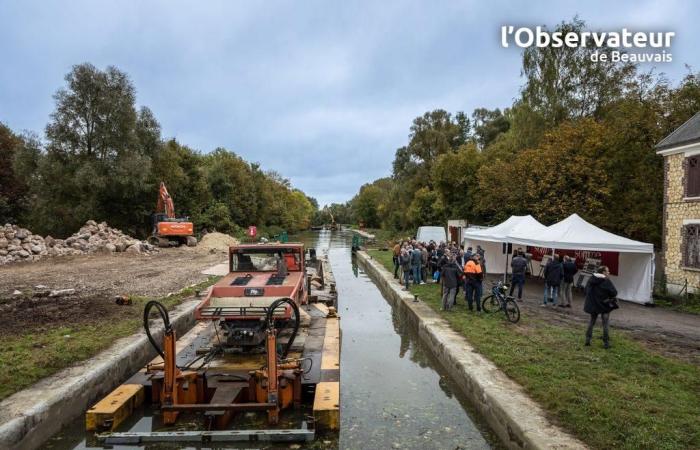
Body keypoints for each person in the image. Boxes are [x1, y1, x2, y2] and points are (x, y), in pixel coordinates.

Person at [584, 266, 618, 349]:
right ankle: (606, 343)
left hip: (594, 304)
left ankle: (587, 340)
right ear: (603, 272)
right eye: (608, 271)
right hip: (604, 305)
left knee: (592, 322)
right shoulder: (606, 281)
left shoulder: (591, 279)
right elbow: (614, 293)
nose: (609, 273)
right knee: (605, 324)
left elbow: (586, 290)